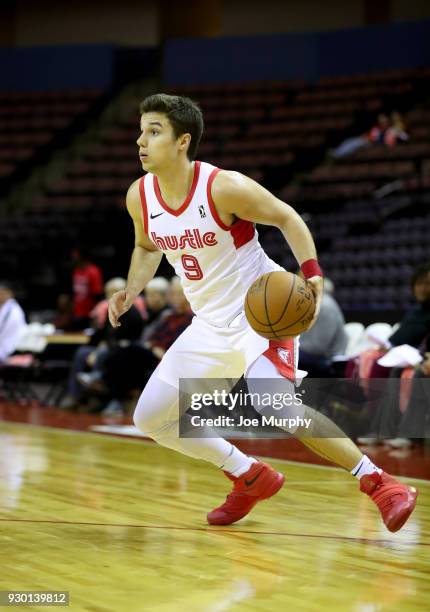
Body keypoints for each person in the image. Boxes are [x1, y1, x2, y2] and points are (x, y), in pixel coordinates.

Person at [108, 94, 417, 531]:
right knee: (151, 417)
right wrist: (131, 288)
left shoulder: (223, 187)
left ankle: (382, 483)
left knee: (279, 409)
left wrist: (312, 276)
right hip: (209, 324)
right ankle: (248, 475)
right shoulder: (140, 196)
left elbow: (287, 217)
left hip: (259, 316)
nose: (141, 140)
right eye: (141, 130)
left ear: (183, 141)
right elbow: (145, 246)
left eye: (153, 131)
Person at [298, 278, 347, 377]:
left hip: (327, 359)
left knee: (285, 356)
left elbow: (318, 348)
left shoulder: (325, 307)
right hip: (317, 355)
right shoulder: (317, 304)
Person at [70, 246, 104, 329]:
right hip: (77, 313)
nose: (72, 256)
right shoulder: (76, 271)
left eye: (75, 254)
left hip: (89, 314)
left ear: (82, 256)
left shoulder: (93, 271)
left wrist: (96, 314)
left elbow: (97, 294)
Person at [0, 281, 26, 364]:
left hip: (9, 347)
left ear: (9, 294)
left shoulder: (13, 310)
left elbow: (4, 331)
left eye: (2, 293)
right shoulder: (3, 307)